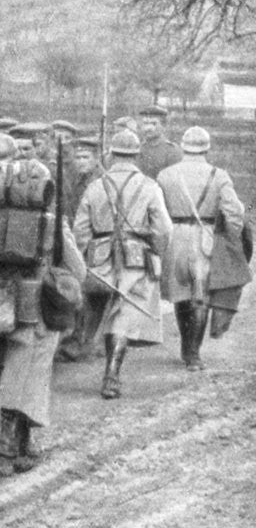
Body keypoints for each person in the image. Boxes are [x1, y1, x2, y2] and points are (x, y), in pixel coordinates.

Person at [0, 134, 86, 476]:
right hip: (35, 314)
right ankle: (8, 448)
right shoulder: (53, 224)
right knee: (28, 379)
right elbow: (79, 271)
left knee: (5, 377)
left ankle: (21, 446)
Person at [73, 130, 172, 399]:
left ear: (111, 154)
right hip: (137, 258)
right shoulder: (150, 186)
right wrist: (157, 253)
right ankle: (112, 375)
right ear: (137, 154)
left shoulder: (95, 186)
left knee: (104, 310)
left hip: (100, 257)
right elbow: (163, 229)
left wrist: (81, 260)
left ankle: (98, 358)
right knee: (125, 316)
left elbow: (80, 230)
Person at [157, 126, 245, 370]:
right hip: (205, 238)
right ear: (207, 148)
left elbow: (157, 212)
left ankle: (186, 346)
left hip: (175, 238)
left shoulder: (165, 175)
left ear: (183, 146)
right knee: (201, 297)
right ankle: (193, 353)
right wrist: (230, 236)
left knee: (180, 296)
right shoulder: (219, 175)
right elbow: (235, 212)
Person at [59, 136, 107, 362]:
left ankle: (83, 342)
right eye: (77, 157)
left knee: (91, 294)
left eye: (85, 157)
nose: (80, 161)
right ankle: (81, 340)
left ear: (97, 159)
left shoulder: (101, 181)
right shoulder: (77, 179)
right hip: (80, 240)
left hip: (94, 243)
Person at [137, 105, 182, 179]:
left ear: (163, 126)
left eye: (153, 124)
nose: (148, 128)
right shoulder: (138, 150)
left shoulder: (172, 152)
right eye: (145, 123)